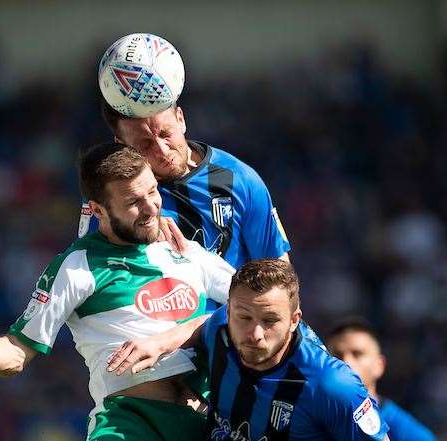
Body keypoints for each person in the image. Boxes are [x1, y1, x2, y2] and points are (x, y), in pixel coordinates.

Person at [0, 142, 236, 441]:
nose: (150, 208)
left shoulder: (183, 249)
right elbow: (16, 353)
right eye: (133, 202)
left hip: (205, 421)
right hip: (130, 424)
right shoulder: (76, 266)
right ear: (98, 210)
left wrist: (183, 333)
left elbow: (258, 302)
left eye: (152, 192)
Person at [108, 259, 390, 441]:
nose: (254, 334)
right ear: (229, 311)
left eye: (270, 321)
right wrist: (161, 342)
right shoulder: (222, 329)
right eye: (244, 318)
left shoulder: (331, 386)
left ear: (295, 320)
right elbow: (206, 322)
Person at [79, 100, 290, 270]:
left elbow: (278, 272)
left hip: (230, 320)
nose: (162, 150)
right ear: (122, 145)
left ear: (180, 119)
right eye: (145, 144)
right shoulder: (111, 195)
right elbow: (91, 271)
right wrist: (139, 227)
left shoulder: (240, 179)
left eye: (165, 134)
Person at [326, 320, 436, 441]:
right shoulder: (309, 418)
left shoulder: (410, 434)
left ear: (379, 366)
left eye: (357, 354)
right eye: (337, 355)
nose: (345, 362)